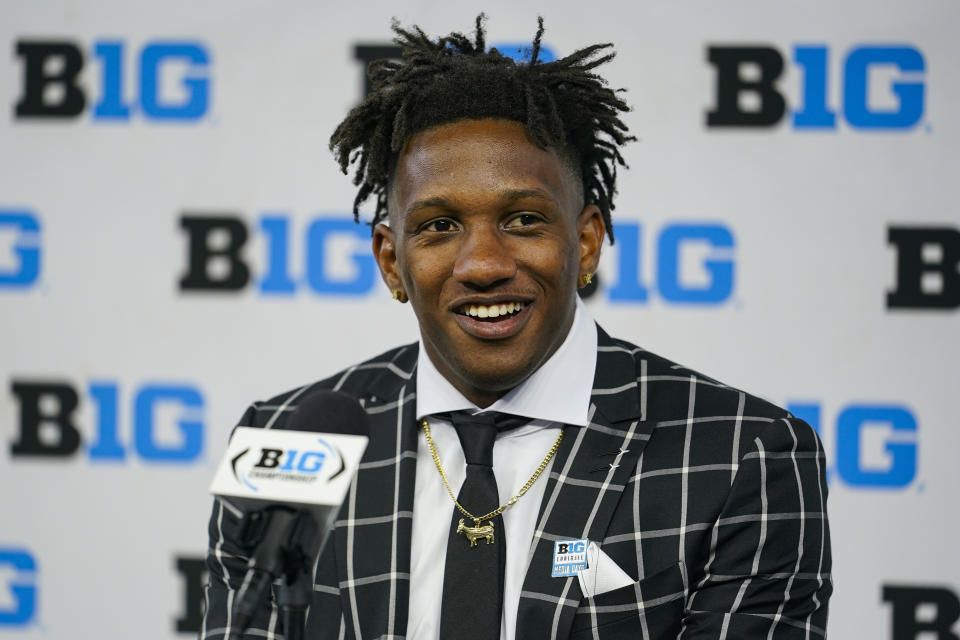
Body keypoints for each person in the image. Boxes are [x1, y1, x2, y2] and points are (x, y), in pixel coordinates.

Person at [201, 16, 831, 640]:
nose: (482, 265)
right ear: (391, 262)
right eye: (439, 226)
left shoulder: (744, 454)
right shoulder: (284, 443)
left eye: (524, 220)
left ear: (585, 244)